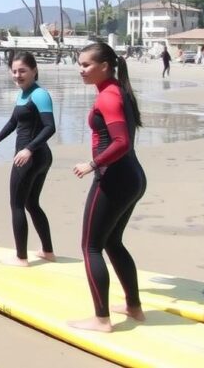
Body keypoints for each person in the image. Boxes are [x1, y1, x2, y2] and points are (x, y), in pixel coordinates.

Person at [69, 42, 147, 332]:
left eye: (86, 65)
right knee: (113, 242)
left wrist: (92, 164)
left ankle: (101, 319)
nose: (81, 70)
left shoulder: (108, 96)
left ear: (104, 66)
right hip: (132, 176)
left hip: (114, 178)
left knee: (91, 246)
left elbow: (121, 142)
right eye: (79, 64)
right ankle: (133, 306)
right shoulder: (117, 90)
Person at [0, 51, 56, 266]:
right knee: (32, 203)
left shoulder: (39, 94)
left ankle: (21, 257)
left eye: (22, 71)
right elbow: (14, 122)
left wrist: (28, 150)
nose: (17, 75)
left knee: (17, 205)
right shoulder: (23, 94)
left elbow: (50, 127)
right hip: (37, 156)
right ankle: (48, 251)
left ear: (34, 70)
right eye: (14, 71)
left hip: (30, 157)